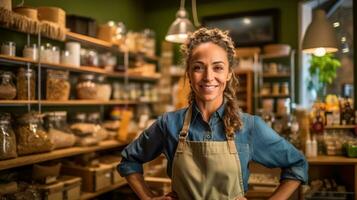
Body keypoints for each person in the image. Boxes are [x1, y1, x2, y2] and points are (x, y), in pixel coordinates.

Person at [118, 28, 308, 200]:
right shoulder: (169, 124)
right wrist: (148, 198)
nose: (209, 77)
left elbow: (297, 164)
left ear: (228, 74)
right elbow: (129, 161)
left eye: (217, 67)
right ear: (189, 74)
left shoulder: (248, 126)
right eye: (198, 67)